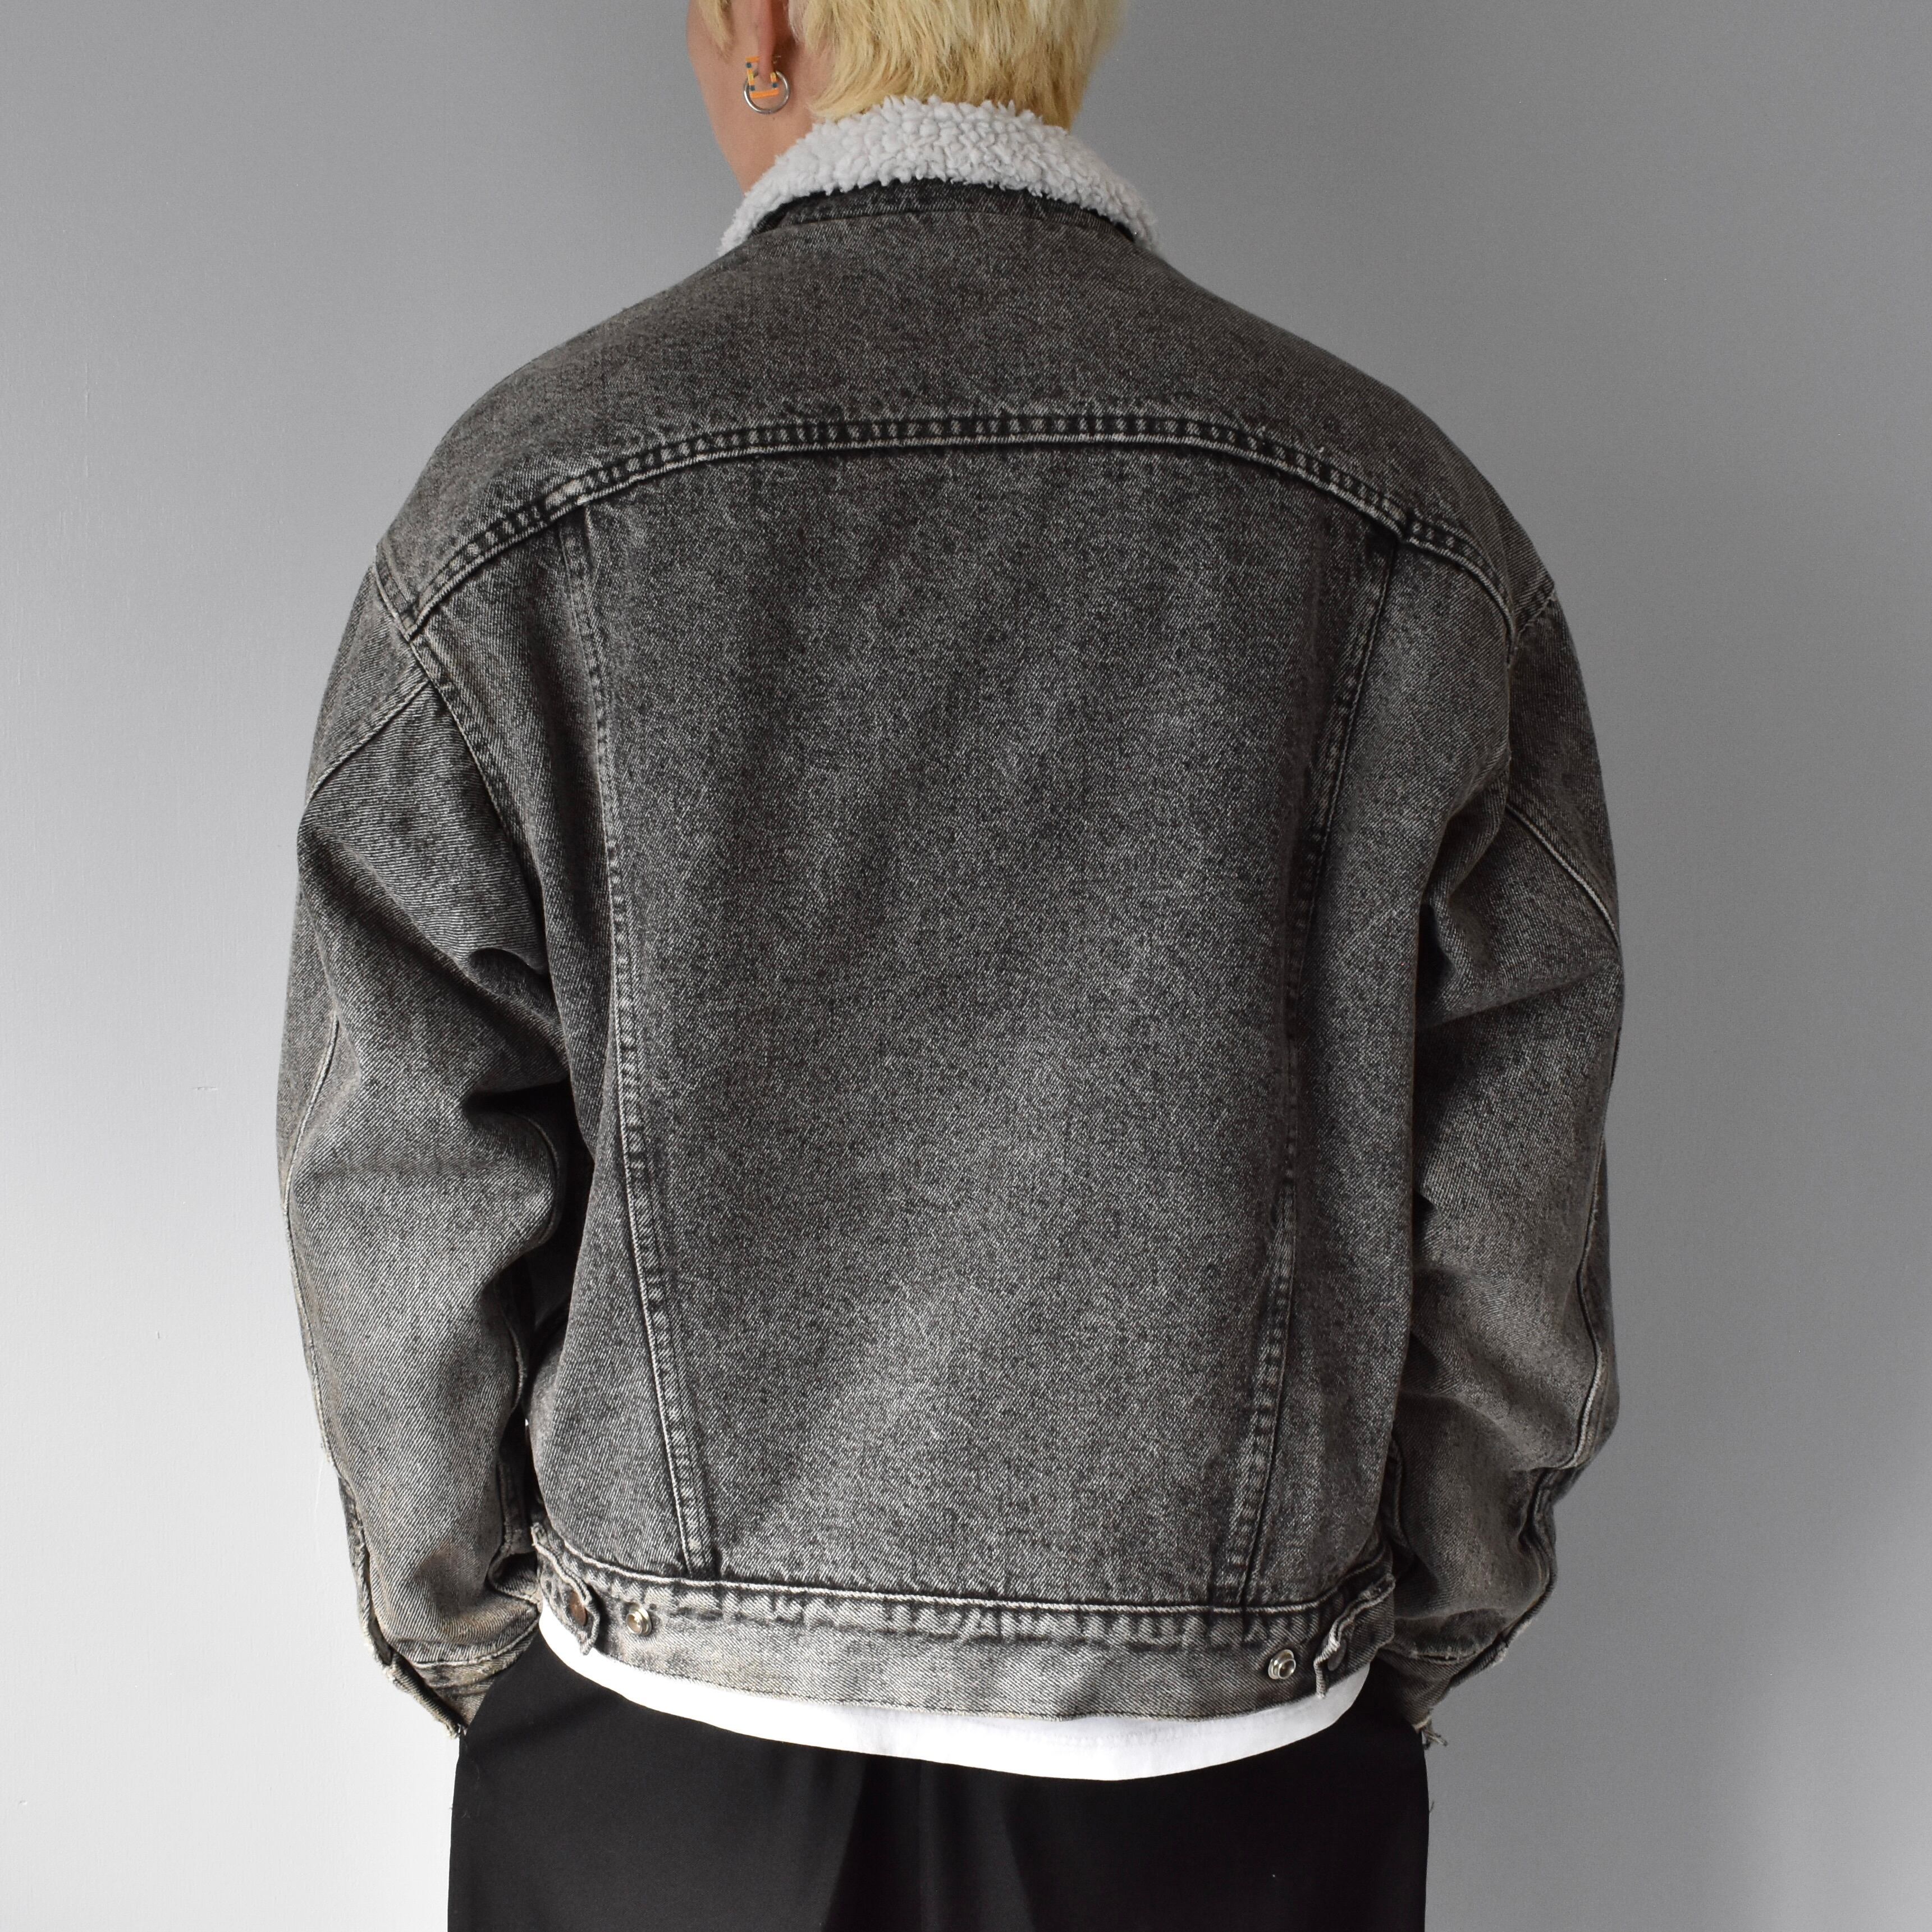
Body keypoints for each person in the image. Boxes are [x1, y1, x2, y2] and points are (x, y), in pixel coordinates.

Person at [277, 2, 1623, 1925]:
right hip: (1219, 1781)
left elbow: (392, 1175)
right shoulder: (1406, 524)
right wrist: (1389, 1631)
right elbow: (1512, 1208)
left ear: (758, 25)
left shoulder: (522, 502)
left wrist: (492, 1641)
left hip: (670, 1775)